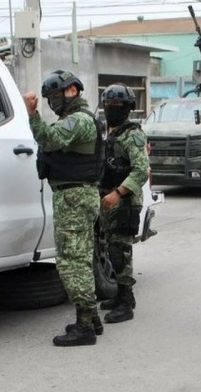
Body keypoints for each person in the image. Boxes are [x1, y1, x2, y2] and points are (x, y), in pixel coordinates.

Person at [24, 70, 103, 346]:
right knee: (80, 257)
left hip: (74, 198)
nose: (51, 103)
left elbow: (48, 139)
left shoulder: (78, 121)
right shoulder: (77, 119)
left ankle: (85, 328)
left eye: (53, 97)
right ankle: (91, 318)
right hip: (75, 197)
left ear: (70, 92)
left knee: (72, 262)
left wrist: (32, 114)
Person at [97, 84, 149, 323]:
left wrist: (118, 193)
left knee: (120, 252)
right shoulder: (110, 132)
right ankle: (119, 295)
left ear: (128, 108)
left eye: (117, 106)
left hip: (124, 201)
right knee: (110, 249)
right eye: (108, 105)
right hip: (109, 198)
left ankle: (126, 302)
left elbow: (141, 171)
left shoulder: (133, 135)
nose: (111, 109)